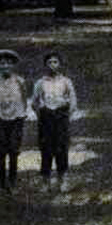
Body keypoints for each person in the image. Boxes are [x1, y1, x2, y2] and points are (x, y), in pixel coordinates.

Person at [29, 51, 78, 187]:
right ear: (45, 65)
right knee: (46, 148)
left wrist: (67, 115)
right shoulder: (40, 83)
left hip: (61, 117)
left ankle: (62, 179)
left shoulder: (66, 82)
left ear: (60, 64)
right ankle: (46, 181)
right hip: (46, 118)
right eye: (49, 62)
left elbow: (73, 101)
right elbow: (34, 102)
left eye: (55, 62)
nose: (52, 65)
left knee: (61, 148)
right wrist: (42, 115)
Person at [0, 48, 28, 191]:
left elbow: (23, 99)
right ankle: (2, 183)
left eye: (9, 64)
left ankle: (13, 181)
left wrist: (20, 115)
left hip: (16, 119)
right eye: (2, 64)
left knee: (14, 151)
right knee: (1, 152)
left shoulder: (20, 81)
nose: (5, 67)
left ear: (13, 66)